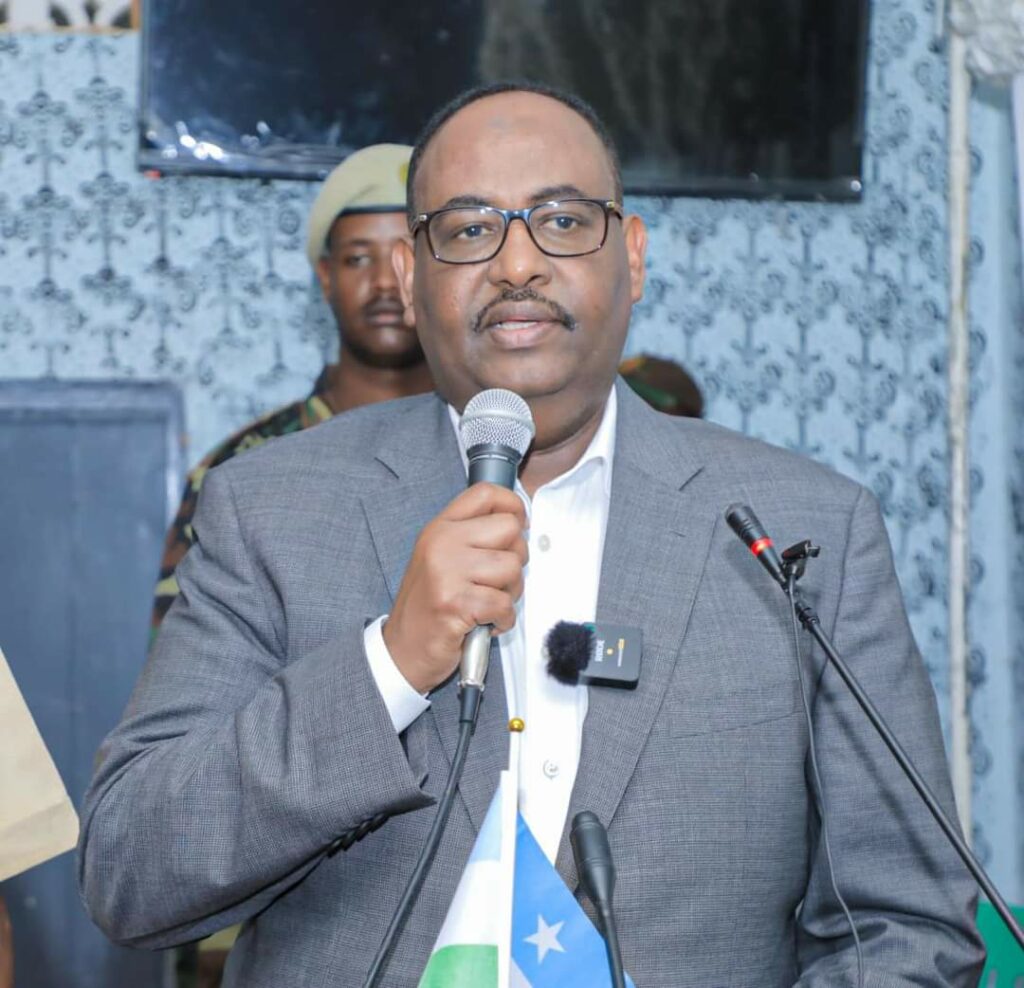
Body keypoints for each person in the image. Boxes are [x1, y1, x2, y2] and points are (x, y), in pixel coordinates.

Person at [79, 82, 983, 985]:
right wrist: (389, 665)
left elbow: (908, 926)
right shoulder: (267, 510)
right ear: (411, 276)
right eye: (471, 228)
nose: (518, 264)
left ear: (633, 256)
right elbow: (131, 871)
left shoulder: (806, 531)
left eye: (562, 221)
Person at [150, 143, 434, 637]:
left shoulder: (498, 444)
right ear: (325, 276)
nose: (385, 284)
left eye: (405, 258)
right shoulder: (244, 467)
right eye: (358, 258)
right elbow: (184, 662)